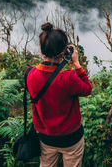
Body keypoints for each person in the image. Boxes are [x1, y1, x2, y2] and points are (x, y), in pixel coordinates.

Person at [25, 22, 92, 167]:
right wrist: (76, 63)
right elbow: (87, 89)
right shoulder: (68, 78)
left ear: (42, 51)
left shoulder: (29, 74)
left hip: (46, 138)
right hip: (71, 138)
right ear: (64, 52)